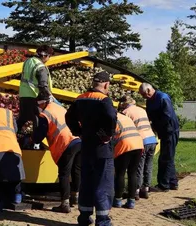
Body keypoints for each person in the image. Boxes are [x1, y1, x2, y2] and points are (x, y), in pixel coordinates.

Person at [66, 71, 117, 226]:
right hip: (102, 148)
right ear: (106, 84)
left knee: (86, 182)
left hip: (86, 146)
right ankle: (102, 220)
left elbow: (69, 117)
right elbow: (111, 117)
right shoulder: (104, 100)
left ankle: (84, 217)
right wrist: (107, 134)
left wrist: (79, 132)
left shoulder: (80, 98)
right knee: (103, 182)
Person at [31, 90, 82, 213]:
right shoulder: (59, 107)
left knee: (64, 173)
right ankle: (76, 197)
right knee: (77, 170)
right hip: (78, 140)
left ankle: (65, 204)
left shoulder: (45, 115)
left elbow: (39, 136)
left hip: (65, 144)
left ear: (41, 103)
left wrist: (31, 138)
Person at [139, 83, 180, 192]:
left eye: (143, 94)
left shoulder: (163, 97)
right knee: (168, 156)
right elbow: (149, 115)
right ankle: (173, 182)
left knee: (165, 158)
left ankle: (163, 185)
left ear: (148, 90)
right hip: (163, 131)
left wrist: (156, 126)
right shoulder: (150, 100)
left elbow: (167, 116)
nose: (143, 97)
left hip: (170, 131)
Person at [118, 95, 158, 199]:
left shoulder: (126, 113)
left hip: (141, 140)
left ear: (124, 104)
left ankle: (136, 191)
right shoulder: (142, 110)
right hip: (152, 139)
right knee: (148, 165)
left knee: (138, 167)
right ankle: (146, 189)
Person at [17, 45, 56, 133]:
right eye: (49, 57)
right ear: (44, 55)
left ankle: (12, 136)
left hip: (23, 95)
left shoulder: (28, 61)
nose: (48, 59)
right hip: (35, 96)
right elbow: (42, 85)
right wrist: (48, 96)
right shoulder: (40, 67)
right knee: (38, 121)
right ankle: (36, 143)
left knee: (22, 119)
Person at [112, 113, 143, 209]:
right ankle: (131, 201)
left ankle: (117, 200)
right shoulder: (126, 117)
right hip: (138, 144)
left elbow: (110, 136)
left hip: (125, 145)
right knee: (132, 173)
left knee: (120, 173)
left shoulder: (110, 118)